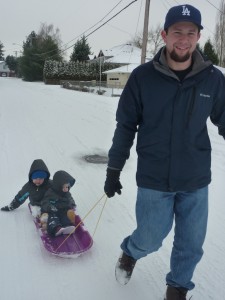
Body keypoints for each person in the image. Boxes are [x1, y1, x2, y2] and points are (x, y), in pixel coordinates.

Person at [104, 4, 225, 300]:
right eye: (177, 32)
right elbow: (125, 126)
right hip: (154, 179)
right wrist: (113, 169)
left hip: (195, 180)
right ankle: (131, 251)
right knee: (150, 239)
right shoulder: (142, 78)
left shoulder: (213, 79)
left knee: (191, 244)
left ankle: (177, 289)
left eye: (190, 33)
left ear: (198, 36)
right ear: (164, 35)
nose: (183, 40)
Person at [40, 170, 76, 237]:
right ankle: (56, 229)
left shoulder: (67, 194)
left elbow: (70, 199)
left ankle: (67, 226)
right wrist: (50, 207)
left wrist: (72, 204)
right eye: (65, 187)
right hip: (52, 211)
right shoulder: (50, 193)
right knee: (53, 218)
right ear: (59, 186)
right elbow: (44, 202)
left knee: (65, 217)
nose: (67, 189)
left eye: (68, 187)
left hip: (62, 211)